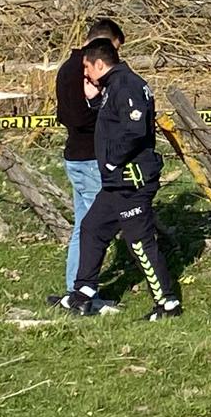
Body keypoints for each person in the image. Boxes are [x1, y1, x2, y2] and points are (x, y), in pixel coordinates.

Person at [57, 38, 183, 320]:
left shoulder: (127, 85)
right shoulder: (113, 86)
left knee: (139, 243)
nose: (85, 74)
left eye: (87, 67)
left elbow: (134, 130)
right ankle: (83, 293)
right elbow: (112, 120)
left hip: (131, 180)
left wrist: (113, 161)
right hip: (116, 182)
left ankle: (167, 303)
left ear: (100, 64)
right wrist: (93, 101)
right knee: (93, 227)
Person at [48, 18, 123, 311]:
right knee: (97, 228)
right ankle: (84, 294)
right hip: (90, 157)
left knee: (83, 226)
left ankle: (75, 288)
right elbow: (79, 117)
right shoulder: (83, 71)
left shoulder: (67, 67)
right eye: (113, 49)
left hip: (77, 156)